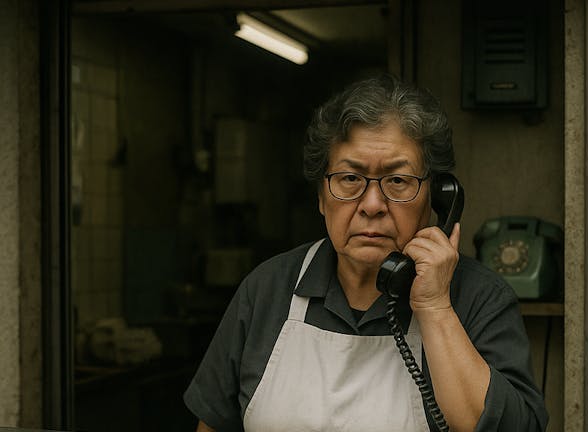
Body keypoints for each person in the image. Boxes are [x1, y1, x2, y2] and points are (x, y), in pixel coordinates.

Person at [183, 75, 548, 432]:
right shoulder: (267, 288)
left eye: (398, 181)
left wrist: (436, 308)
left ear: (437, 199)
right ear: (321, 197)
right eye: (350, 179)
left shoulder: (479, 296)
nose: (372, 205)